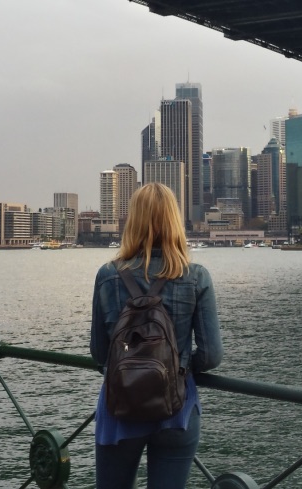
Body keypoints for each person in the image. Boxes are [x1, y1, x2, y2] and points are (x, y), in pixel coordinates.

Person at [90, 182, 223, 489]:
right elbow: (211, 355)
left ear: (132, 221)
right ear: (175, 221)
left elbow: (99, 352)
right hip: (176, 409)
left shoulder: (107, 275)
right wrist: (179, 366)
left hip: (120, 407)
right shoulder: (196, 276)